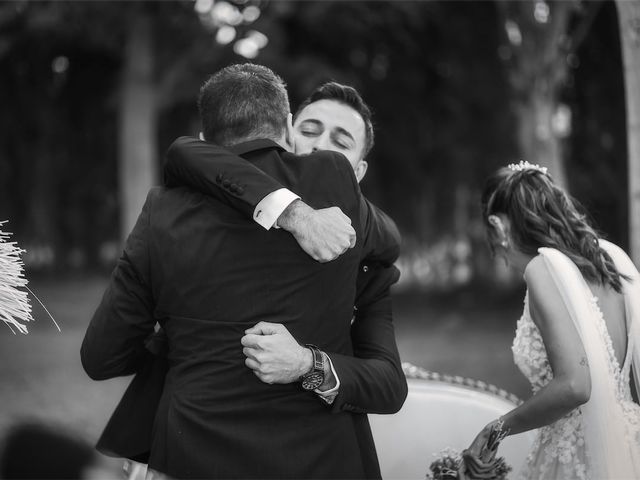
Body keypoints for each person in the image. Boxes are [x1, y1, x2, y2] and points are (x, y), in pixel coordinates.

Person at [81, 63, 402, 479]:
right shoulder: (331, 185)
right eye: (311, 130)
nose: (322, 147)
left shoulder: (163, 211)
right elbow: (187, 155)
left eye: (340, 141)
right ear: (287, 129)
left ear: (358, 171)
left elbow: (103, 356)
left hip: (200, 452)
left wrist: (309, 364)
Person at [466, 161, 640, 479]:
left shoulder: (542, 269)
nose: (497, 255)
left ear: (498, 226)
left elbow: (574, 385)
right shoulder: (611, 260)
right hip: (631, 446)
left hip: (580, 461)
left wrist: (496, 428)